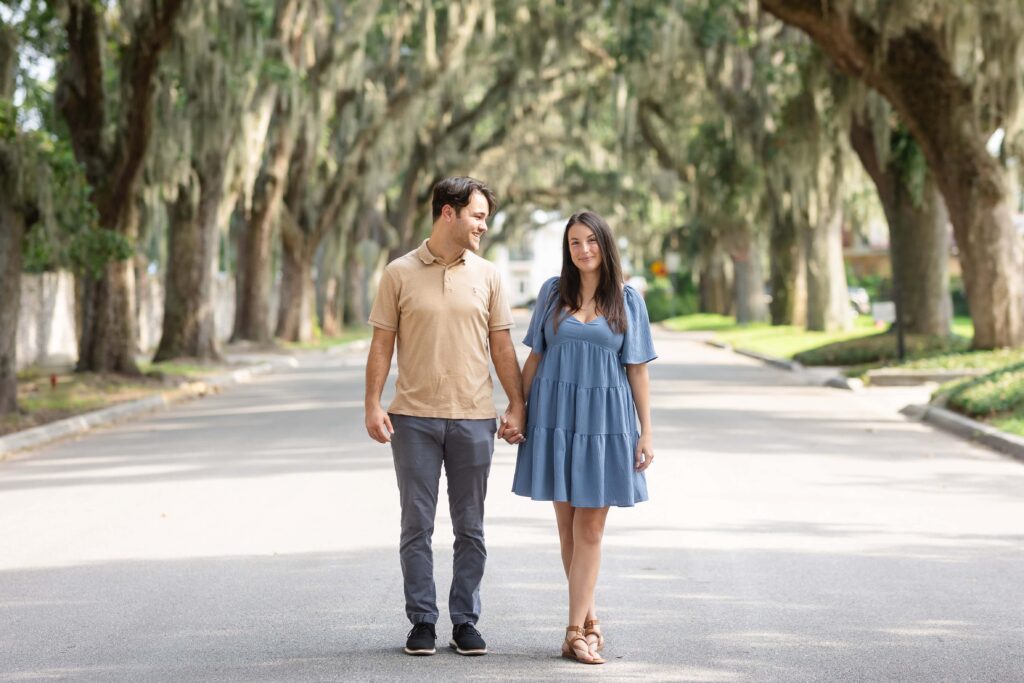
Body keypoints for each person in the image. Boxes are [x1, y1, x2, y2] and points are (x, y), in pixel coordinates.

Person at [364, 177, 525, 658]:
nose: (483, 225)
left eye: (486, 218)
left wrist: (516, 403)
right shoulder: (398, 272)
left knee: (470, 527)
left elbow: (501, 346)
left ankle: (465, 620)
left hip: (474, 418)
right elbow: (381, 344)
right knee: (416, 525)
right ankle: (423, 621)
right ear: (447, 213)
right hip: (412, 418)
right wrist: (373, 402)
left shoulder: (490, 276)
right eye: (477, 216)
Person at [511, 210, 656, 665]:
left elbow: (637, 370)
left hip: (605, 421)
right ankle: (589, 621)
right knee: (567, 528)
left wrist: (646, 431)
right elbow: (535, 356)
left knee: (590, 526)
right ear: (567, 249)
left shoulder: (627, 300)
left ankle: (573, 631)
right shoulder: (553, 293)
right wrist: (518, 408)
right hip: (555, 416)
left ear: (604, 245)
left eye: (591, 241)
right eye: (575, 242)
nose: (583, 250)